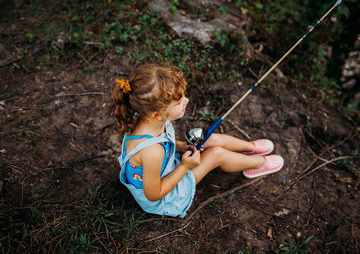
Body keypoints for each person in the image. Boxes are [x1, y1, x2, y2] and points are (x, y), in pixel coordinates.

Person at [112, 63, 284, 218]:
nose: (186, 101)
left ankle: (250, 147)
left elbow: (165, 143)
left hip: (166, 166)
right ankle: (257, 164)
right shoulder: (152, 152)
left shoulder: (146, 118)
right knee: (216, 154)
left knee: (213, 138)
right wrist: (185, 166)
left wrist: (181, 147)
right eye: (179, 102)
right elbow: (154, 194)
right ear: (157, 115)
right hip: (165, 198)